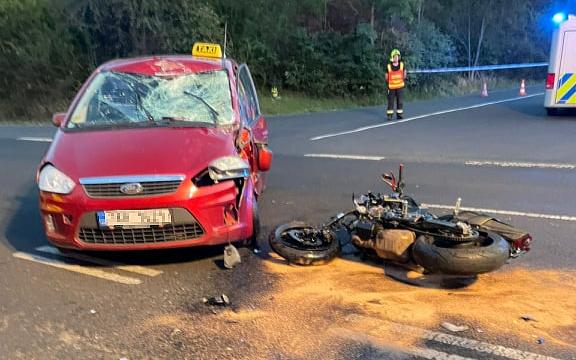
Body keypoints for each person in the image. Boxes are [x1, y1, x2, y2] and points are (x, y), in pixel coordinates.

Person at [385, 49, 407, 120]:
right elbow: (386, 76)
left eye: (397, 56)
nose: (396, 58)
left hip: (400, 87)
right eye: (395, 56)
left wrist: (402, 80)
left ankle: (399, 114)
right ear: (392, 57)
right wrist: (389, 83)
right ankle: (389, 115)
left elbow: (404, 74)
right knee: (390, 101)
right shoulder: (388, 66)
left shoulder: (401, 65)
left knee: (400, 101)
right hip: (391, 87)